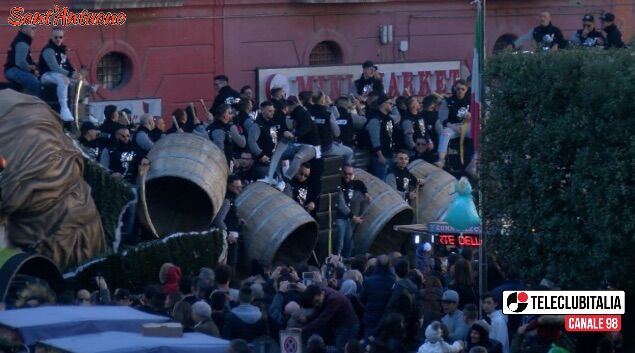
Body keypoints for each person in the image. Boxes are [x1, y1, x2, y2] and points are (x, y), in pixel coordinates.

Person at [301, 284, 360, 352]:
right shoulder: (322, 293)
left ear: (320, 294)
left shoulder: (333, 299)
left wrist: (303, 329)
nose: (316, 305)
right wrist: (308, 318)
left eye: (316, 301)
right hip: (341, 325)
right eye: (314, 303)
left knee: (341, 349)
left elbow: (322, 320)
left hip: (348, 326)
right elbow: (318, 309)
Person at [38, 27, 80, 122]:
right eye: (56, 37)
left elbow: (68, 64)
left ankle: (84, 111)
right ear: (51, 37)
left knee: (80, 82)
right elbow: (54, 67)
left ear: (63, 37)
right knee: (63, 79)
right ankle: (64, 109)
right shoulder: (49, 50)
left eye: (60, 37)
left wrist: (75, 73)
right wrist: (69, 74)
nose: (58, 39)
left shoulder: (61, 49)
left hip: (58, 75)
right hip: (46, 75)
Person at [280, 96, 321, 182]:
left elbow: (307, 127)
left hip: (311, 146)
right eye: (287, 105)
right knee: (279, 155)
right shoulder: (294, 114)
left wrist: (294, 134)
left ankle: (285, 180)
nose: (288, 107)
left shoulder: (301, 113)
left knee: (298, 157)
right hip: (298, 144)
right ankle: (278, 176)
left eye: (290, 105)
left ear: (295, 104)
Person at [311, 92, 354, 165]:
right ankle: (346, 174)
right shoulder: (328, 114)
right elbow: (337, 133)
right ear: (322, 101)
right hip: (326, 148)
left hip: (311, 147)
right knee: (349, 152)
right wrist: (330, 104)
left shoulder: (307, 113)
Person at [436, 80, 471, 168]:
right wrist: (453, 126)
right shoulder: (448, 101)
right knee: (445, 134)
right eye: (458, 88)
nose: (460, 91)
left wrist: (471, 116)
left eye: (463, 89)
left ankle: (474, 162)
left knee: (477, 133)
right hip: (453, 126)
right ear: (455, 88)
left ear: (466, 89)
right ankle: (441, 160)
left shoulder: (471, 101)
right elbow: (443, 119)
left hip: (468, 126)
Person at [336, 165, 370, 257]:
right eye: (345, 174)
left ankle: (346, 263)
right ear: (342, 173)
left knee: (349, 244)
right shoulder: (338, 185)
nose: (347, 176)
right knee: (339, 245)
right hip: (339, 218)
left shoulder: (352, 183)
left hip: (346, 218)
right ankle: (336, 263)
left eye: (350, 174)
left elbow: (360, 183)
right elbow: (341, 204)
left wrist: (366, 193)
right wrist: (353, 217)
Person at [213, 175, 244, 273]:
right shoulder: (227, 200)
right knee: (230, 263)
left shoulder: (232, 198)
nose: (239, 190)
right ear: (229, 186)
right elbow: (218, 220)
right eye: (237, 187)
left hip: (232, 235)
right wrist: (228, 233)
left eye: (240, 187)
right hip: (229, 238)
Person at [360, 255, 396, 338]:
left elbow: (362, 299)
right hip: (388, 319)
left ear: (377, 265)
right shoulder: (394, 281)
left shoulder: (368, 281)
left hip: (371, 319)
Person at [4, 25, 40, 96]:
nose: (34, 30)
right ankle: (34, 105)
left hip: (12, 70)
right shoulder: (22, 42)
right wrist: (32, 71)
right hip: (13, 70)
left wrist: (33, 64)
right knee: (36, 84)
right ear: (24, 28)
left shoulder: (21, 40)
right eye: (33, 28)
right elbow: (20, 62)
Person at [247, 101, 280, 178]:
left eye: (273, 111)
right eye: (269, 111)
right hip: (261, 163)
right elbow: (251, 141)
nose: (272, 113)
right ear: (262, 110)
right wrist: (261, 155)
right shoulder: (257, 125)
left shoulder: (272, 123)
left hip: (273, 161)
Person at [209, 104, 247, 170]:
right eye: (229, 113)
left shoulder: (224, 127)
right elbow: (220, 152)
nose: (232, 115)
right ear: (223, 115)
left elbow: (227, 148)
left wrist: (232, 159)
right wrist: (226, 168)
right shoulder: (218, 130)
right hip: (221, 167)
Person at [367, 95, 396, 180]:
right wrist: (380, 155)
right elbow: (375, 139)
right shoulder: (375, 119)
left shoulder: (389, 119)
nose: (392, 105)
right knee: (382, 181)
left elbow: (391, 136)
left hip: (390, 154)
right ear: (383, 104)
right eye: (390, 103)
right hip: (380, 156)